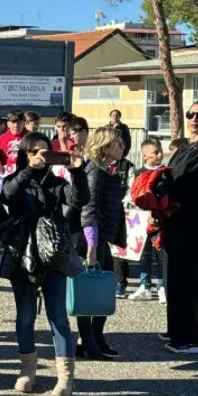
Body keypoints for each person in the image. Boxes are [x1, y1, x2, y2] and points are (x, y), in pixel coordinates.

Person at [1, 132, 80, 396]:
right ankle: (28, 371)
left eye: (45, 151)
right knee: (25, 315)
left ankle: (66, 377)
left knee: (57, 313)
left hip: (53, 253)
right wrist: (27, 171)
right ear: (24, 153)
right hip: (23, 253)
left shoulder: (57, 183)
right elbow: (8, 196)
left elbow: (79, 200)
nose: (39, 155)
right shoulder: (16, 179)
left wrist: (76, 172)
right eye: (33, 151)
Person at [159, 101, 198, 355]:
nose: (194, 119)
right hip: (174, 220)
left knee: (185, 278)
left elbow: (182, 181)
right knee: (173, 277)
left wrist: (161, 186)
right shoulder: (186, 146)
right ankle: (176, 329)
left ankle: (192, 337)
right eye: (190, 114)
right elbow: (167, 173)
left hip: (189, 221)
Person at [80, 127, 128, 360]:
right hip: (92, 240)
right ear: (105, 146)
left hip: (102, 239)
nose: (122, 147)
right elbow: (89, 210)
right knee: (90, 291)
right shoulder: (94, 172)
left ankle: (96, 338)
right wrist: (91, 245)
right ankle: (89, 341)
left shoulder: (104, 171)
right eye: (118, 144)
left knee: (102, 289)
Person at [130, 138, 165, 303]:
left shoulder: (166, 172)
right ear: (145, 156)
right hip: (142, 219)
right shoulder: (138, 173)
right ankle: (145, 285)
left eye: (160, 151)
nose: (159, 155)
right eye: (155, 152)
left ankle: (162, 286)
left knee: (161, 254)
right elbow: (133, 195)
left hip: (161, 219)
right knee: (144, 254)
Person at [0, 111, 25, 175]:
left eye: (19, 122)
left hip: (23, 173)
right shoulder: (2, 139)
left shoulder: (29, 137)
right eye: (13, 122)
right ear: (8, 124)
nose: (16, 125)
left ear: (24, 124)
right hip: (7, 174)